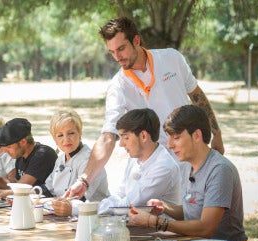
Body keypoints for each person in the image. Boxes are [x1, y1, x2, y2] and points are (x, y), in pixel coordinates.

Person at [67, 16, 224, 200]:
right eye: (112, 52)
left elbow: (197, 96)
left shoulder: (171, 58)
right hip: (154, 163)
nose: (117, 57)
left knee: (195, 215)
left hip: (190, 154)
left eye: (121, 48)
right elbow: (108, 136)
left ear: (136, 40)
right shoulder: (118, 86)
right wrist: (85, 180)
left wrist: (217, 134)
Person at [128, 105, 247, 241]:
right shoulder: (188, 165)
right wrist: (164, 207)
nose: (170, 145)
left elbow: (206, 228)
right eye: (168, 138)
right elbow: (192, 211)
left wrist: (154, 221)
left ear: (196, 135)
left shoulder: (220, 170)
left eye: (176, 138)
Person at [97, 108, 181, 214]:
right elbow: (120, 194)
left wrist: (83, 209)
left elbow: (127, 206)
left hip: (157, 229)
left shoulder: (163, 167)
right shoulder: (135, 159)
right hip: (135, 224)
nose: (121, 144)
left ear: (143, 136)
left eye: (126, 138)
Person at [41, 110, 109, 216]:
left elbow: (81, 199)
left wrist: (48, 203)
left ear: (80, 132)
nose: (66, 139)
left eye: (71, 133)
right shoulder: (61, 159)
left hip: (93, 216)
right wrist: (29, 194)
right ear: (54, 138)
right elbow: (48, 189)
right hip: (65, 214)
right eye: (60, 135)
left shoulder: (89, 160)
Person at [0, 118, 57, 198]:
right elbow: (15, 185)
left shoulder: (43, 154)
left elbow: (21, 188)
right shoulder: (20, 156)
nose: (5, 151)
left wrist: (6, 193)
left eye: (9, 147)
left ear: (23, 142)